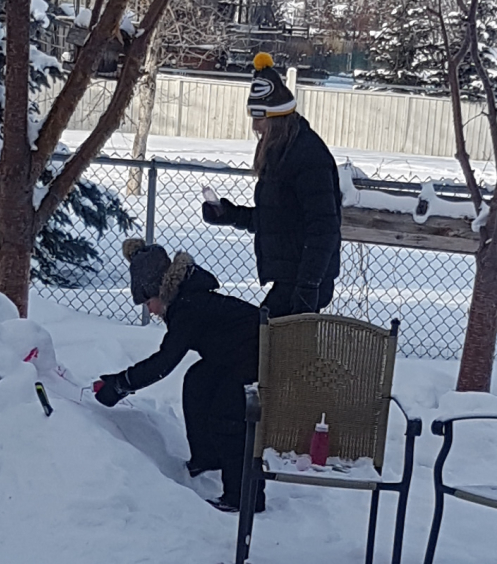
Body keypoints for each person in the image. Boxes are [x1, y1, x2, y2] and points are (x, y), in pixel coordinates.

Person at [94, 241, 262, 513]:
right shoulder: (186, 300)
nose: (149, 310)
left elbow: (165, 362)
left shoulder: (188, 306)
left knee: (228, 417)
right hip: (231, 357)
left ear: (159, 289)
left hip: (256, 357)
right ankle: (207, 457)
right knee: (198, 381)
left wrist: (120, 384)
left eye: (148, 301)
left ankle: (245, 497)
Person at [200, 54, 341, 316]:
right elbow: (277, 219)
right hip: (290, 276)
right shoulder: (281, 152)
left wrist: (308, 285)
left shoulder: (308, 156)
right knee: (266, 336)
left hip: (306, 279)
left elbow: (324, 228)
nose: (255, 126)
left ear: (277, 119)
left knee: (265, 336)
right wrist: (230, 214)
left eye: (260, 118)